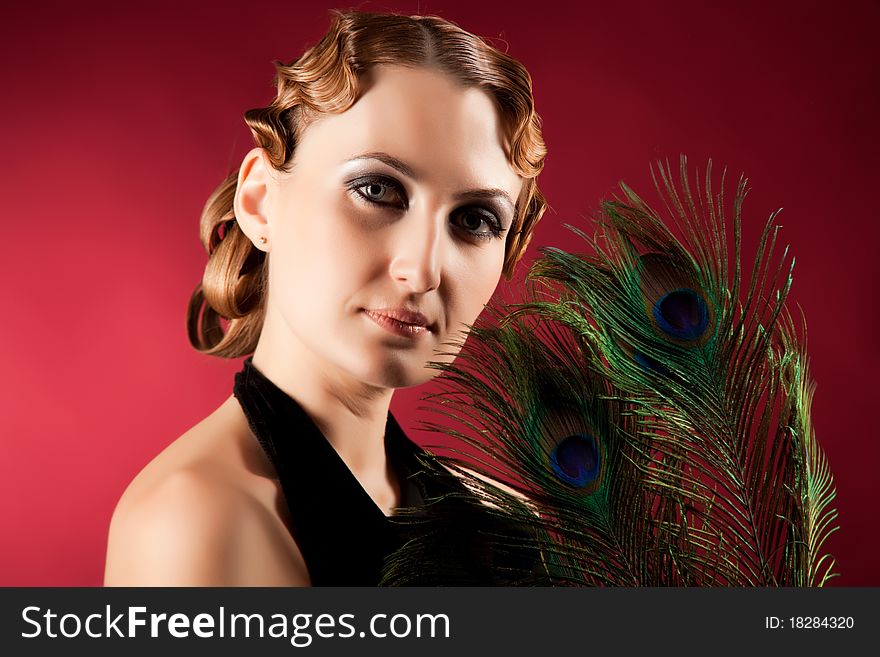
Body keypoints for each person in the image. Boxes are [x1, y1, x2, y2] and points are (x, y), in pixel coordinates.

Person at [104, 10, 547, 586]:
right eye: (377, 190)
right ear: (261, 201)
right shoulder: (193, 521)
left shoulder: (497, 521)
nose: (421, 270)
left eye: (475, 219)